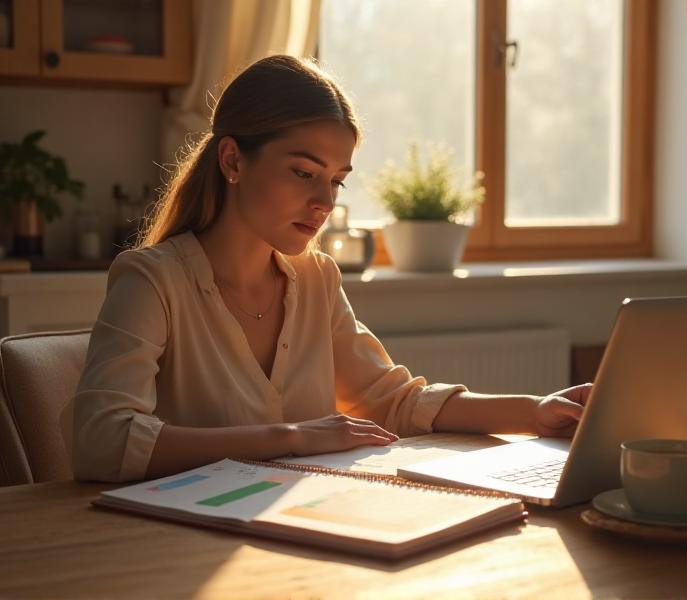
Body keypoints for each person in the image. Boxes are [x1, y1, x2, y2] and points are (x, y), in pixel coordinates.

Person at [61, 55, 591, 483]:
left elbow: (392, 399)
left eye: (336, 180)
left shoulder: (316, 278)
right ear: (232, 161)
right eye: (302, 172)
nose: (324, 201)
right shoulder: (152, 280)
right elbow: (101, 441)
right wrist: (291, 435)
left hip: (296, 534)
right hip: (173, 550)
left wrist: (534, 411)